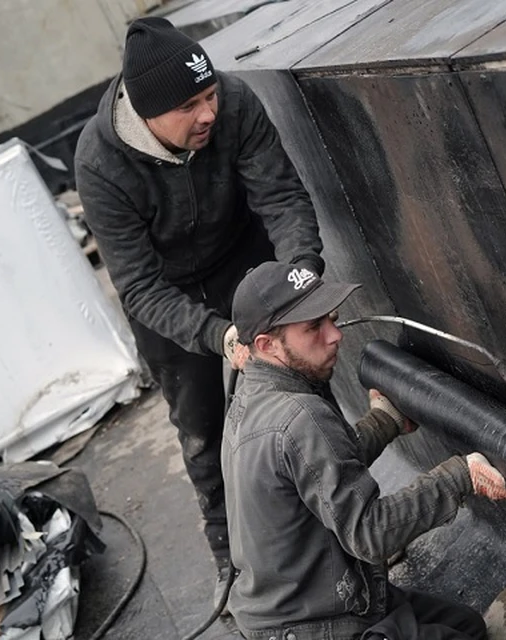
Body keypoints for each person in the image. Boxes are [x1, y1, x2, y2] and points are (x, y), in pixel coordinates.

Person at [74, 18, 324, 607]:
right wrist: (219, 335)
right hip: (167, 293)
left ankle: (342, 521)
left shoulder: (234, 102)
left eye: (209, 94)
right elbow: (137, 286)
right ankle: (233, 569)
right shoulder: (99, 163)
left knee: (302, 391)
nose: (208, 113)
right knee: (205, 429)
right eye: (189, 106)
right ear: (147, 114)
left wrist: (300, 277)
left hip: (241, 255)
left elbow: (282, 198)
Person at [222, 261, 506, 640]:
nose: (335, 336)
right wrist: (461, 475)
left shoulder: (251, 394)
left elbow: (318, 469)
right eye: (313, 328)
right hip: (314, 626)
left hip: (298, 606)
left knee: (466, 625)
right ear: (267, 344)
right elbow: (371, 534)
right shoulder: (299, 415)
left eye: (330, 319)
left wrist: (386, 420)